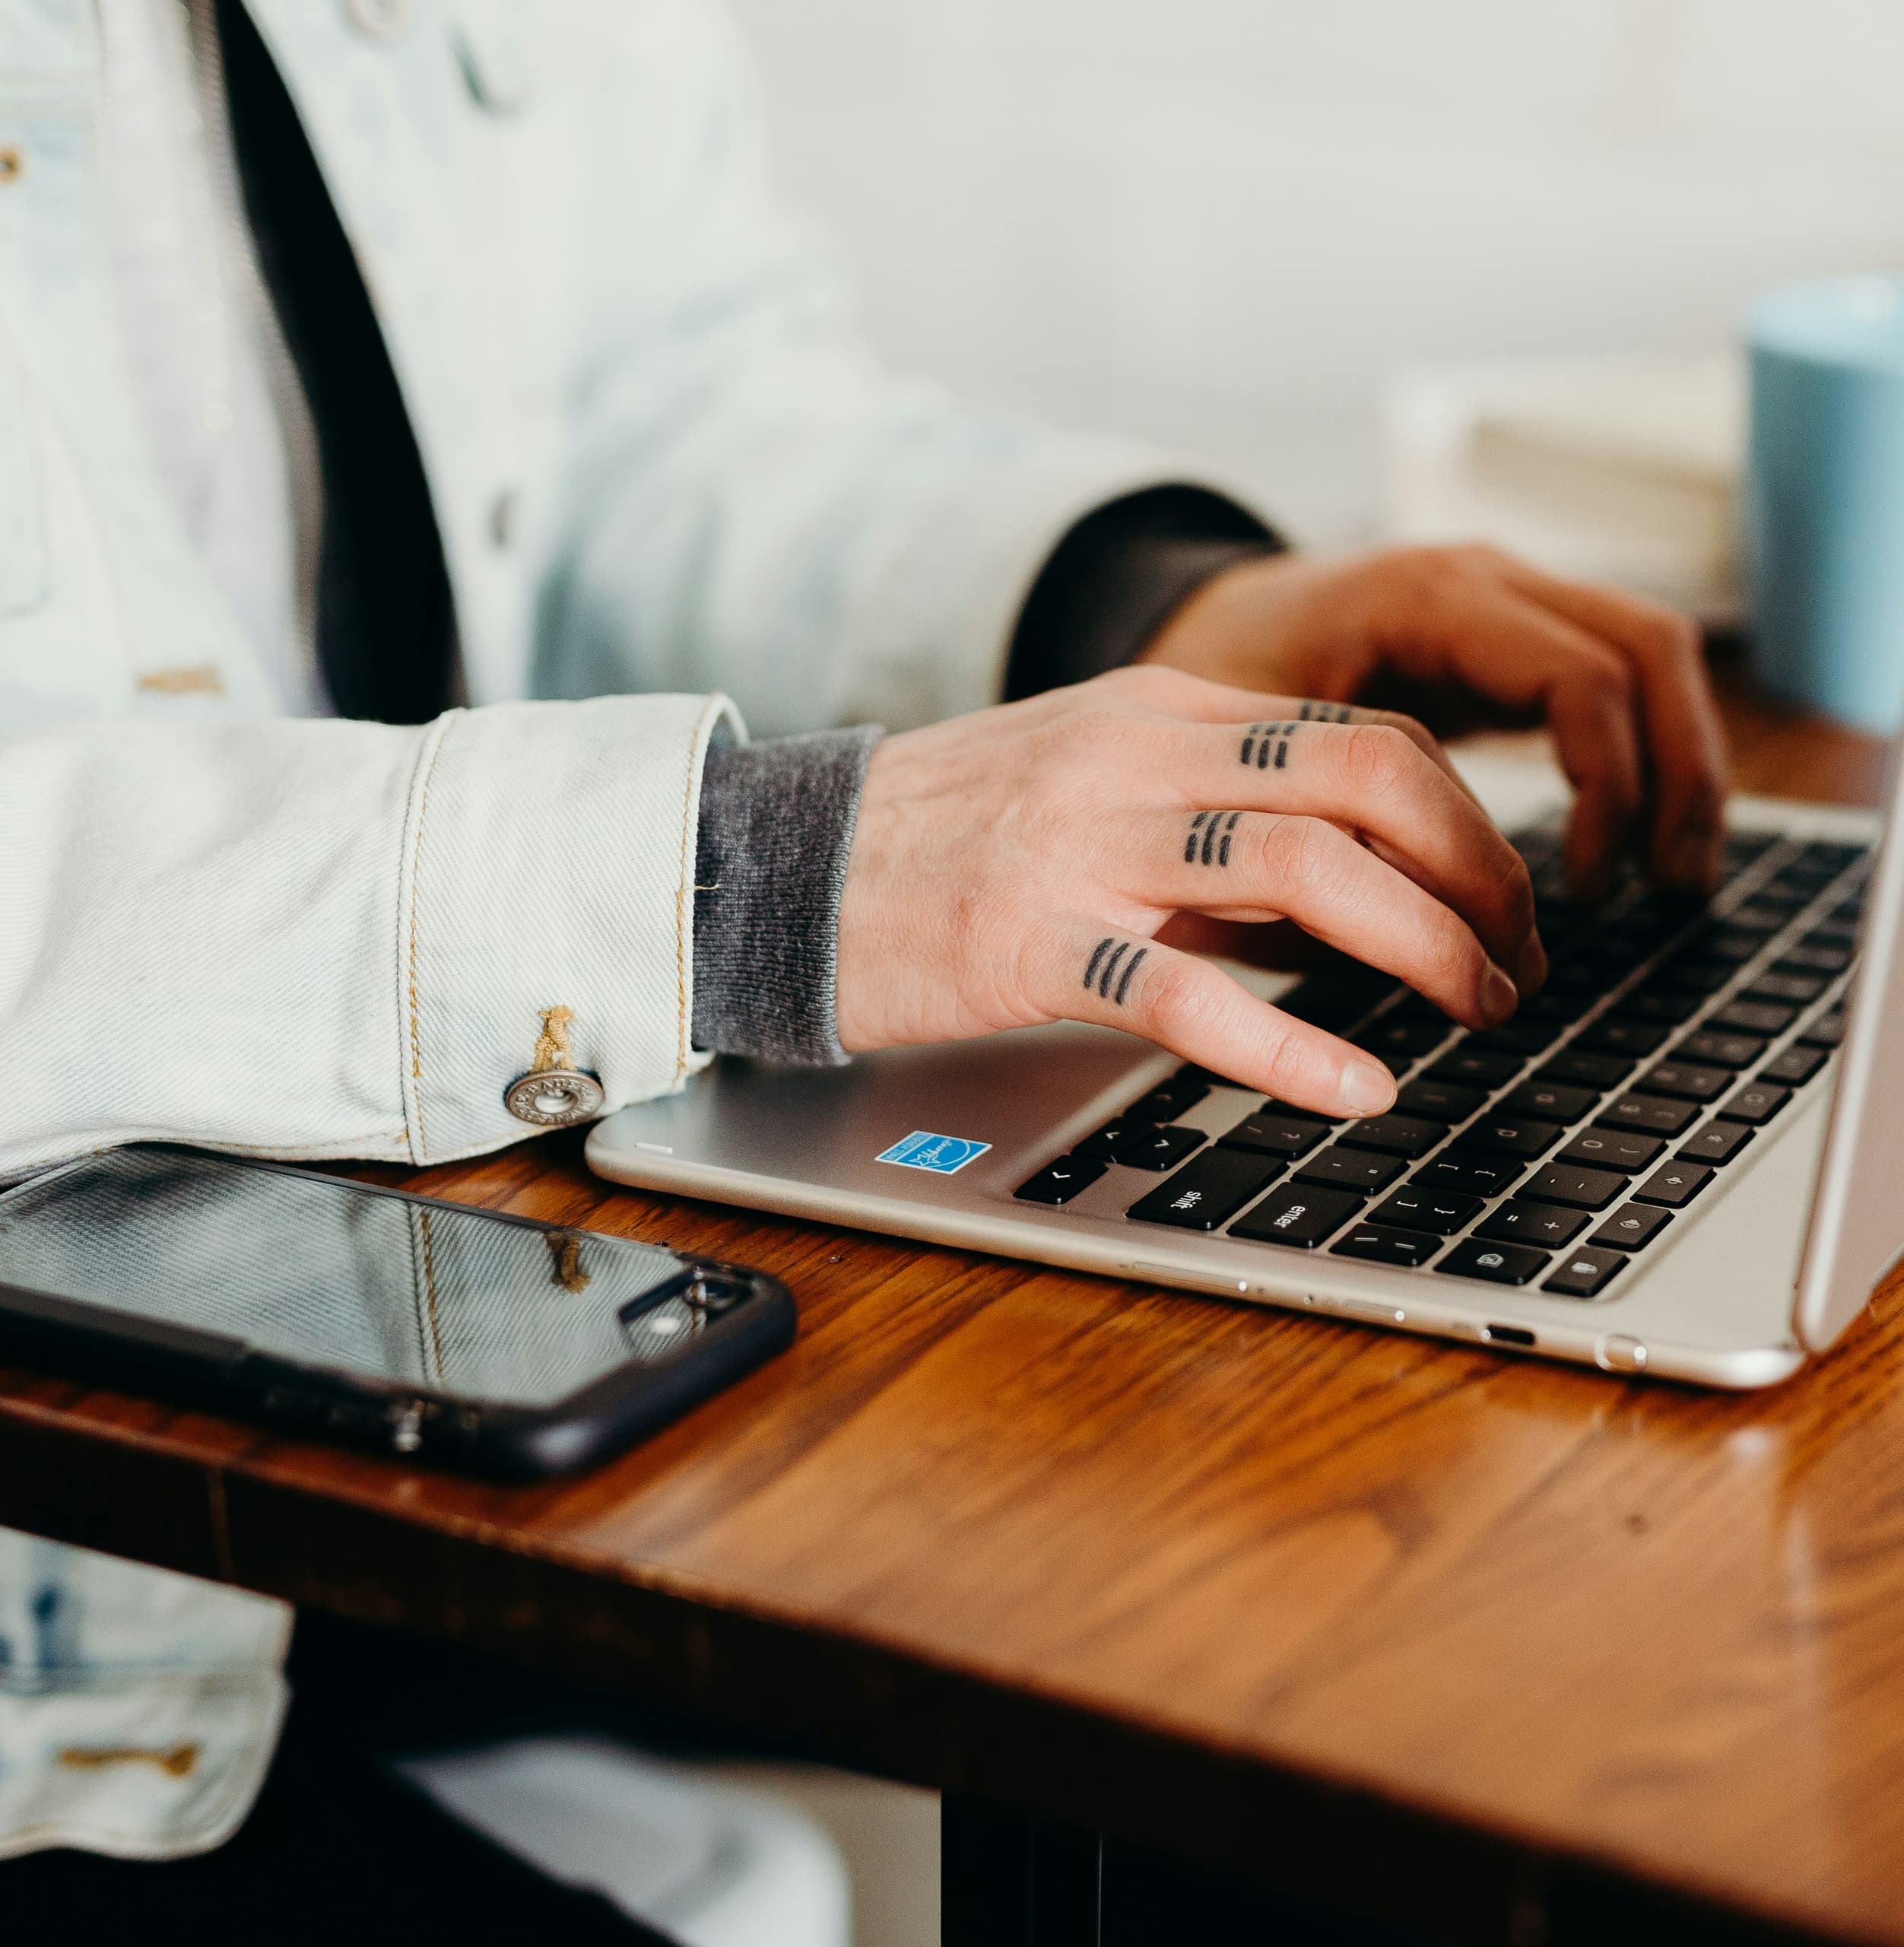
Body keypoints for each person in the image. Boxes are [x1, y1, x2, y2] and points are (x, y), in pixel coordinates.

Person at [0, 0, 1728, 1921]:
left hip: (427, 1316)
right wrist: (748, 874)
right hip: (67, 1621)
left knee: (1385, 1628)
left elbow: (654, 411)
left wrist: (1145, 611)